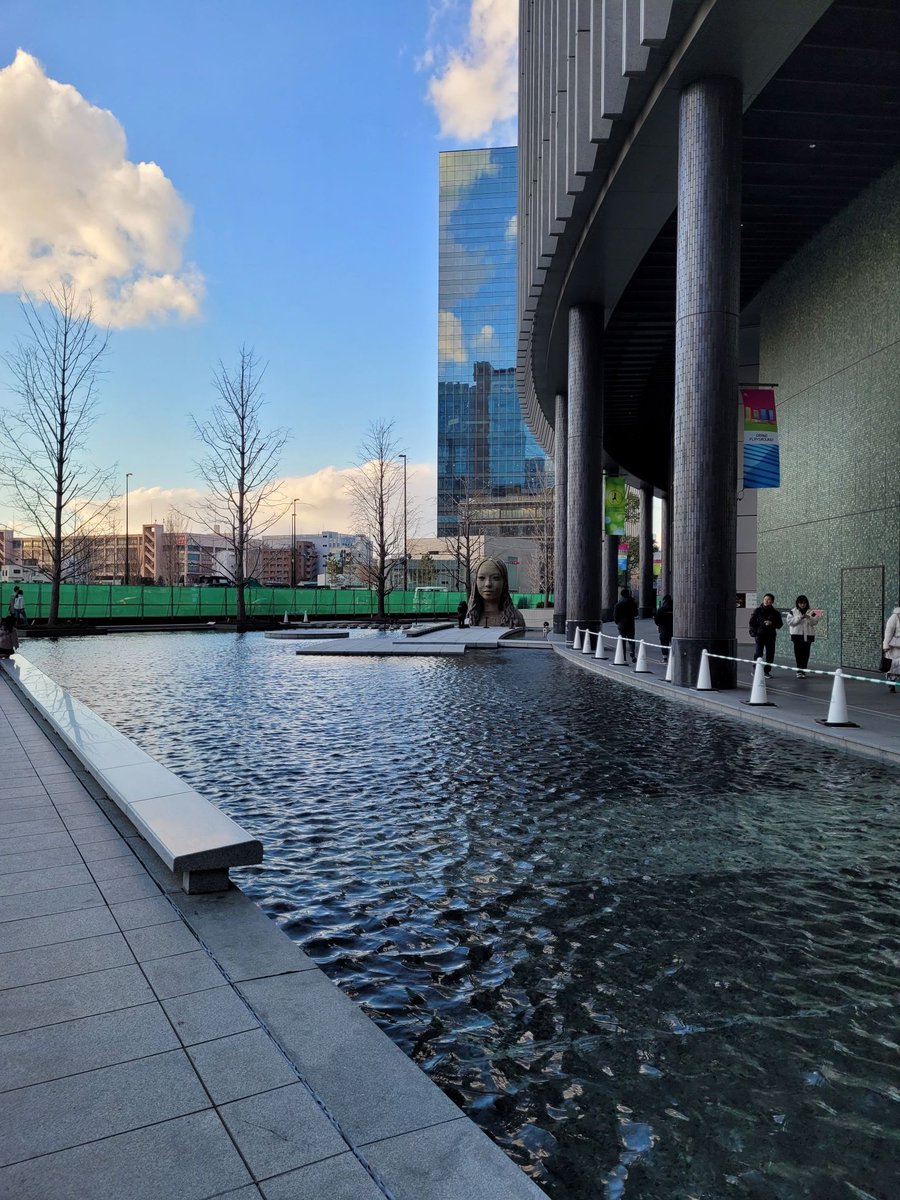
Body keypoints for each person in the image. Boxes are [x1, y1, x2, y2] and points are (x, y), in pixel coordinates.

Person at [466, 557, 525, 630]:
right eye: (482, 578)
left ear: (504, 582)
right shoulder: (468, 617)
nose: (488, 584)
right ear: (475, 582)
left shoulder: (516, 617)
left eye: (495, 578)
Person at [749, 593, 783, 676]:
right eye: (765, 599)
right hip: (760, 635)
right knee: (758, 652)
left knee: (770, 653)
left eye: (769, 600)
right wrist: (754, 632)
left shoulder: (775, 613)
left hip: (770, 635)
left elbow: (780, 624)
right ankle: (756, 669)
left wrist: (772, 623)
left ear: (772, 601)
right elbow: (752, 622)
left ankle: (766, 671)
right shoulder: (757, 610)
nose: (766, 601)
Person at [786, 595, 821, 677]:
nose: (802, 605)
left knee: (806, 653)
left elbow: (815, 622)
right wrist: (799, 618)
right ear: (797, 603)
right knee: (798, 654)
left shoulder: (812, 611)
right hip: (797, 635)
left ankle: (803, 670)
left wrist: (809, 618)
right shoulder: (793, 611)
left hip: (808, 635)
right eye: (801, 603)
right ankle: (799, 671)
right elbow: (790, 622)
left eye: (804, 603)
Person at [613, 588, 638, 662]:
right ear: (628, 594)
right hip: (630, 623)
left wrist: (617, 622)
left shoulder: (619, 604)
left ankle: (623, 657)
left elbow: (615, 615)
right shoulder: (632, 602)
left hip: (621, 624)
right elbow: (636, 613)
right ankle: (632, 652)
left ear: (621, 595)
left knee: (622, 641)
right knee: (631, 639)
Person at [882, 603, 900, 694]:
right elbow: (888, 632)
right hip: (895, 647)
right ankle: (891, 684)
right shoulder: (894, 617)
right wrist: (886, 646)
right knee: (893, 667)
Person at [654, 594, 673, 661]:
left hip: (663, 628)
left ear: (664, 600)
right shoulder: (675, 607)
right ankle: (674, 656)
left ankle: (665, 658)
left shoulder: (661, 609)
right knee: (673, 643)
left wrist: (659, 625)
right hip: (673, 629)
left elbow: (656, 619)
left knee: (664, 642)